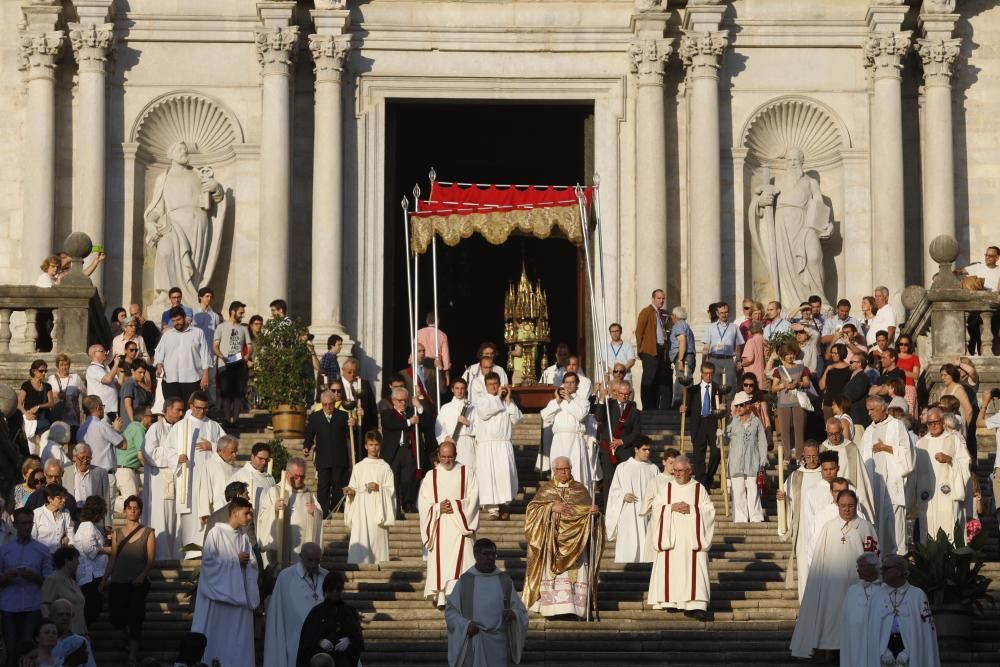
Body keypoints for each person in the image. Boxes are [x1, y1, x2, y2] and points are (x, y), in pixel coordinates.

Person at [789, 489, 879, 659]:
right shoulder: (828, 528)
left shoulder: (866, 528)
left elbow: (874, 557)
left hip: (859, 586)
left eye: (851, 506)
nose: (847, 509)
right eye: (843, 506)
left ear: (856, 506)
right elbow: (819, 559)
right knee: (830, 620)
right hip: (832, 587)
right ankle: (828, 651)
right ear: (837, 505)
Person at [522, 457, 603, 619]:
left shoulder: (581, 490)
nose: (563, 472)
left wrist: (595, 513)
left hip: (577, 545)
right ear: (554, 470)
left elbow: (588, 511)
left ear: (571, 469)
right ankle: (552, 610)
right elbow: (532, 510)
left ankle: (575, 608)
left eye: (566, 469)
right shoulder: (546, 489)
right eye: (559, 469)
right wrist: (551, 507)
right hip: (552, 544)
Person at [644, 455, 715, 619]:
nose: (677, 474)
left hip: (692, 540)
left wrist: (693, 510)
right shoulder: (667, 489)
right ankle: (673, 602)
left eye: (681, 471)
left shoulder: (699, 489)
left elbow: (709, 512)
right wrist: (670, 508)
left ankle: (696, 605)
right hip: (672, 539)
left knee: (695, 569)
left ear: (690, 471)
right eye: (674, 471)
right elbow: (656, 508)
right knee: (672, 569)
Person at [192, 497, 259, 667]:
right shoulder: (216, 533)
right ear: (235, 513)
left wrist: (246, 563)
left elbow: (252, 566)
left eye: (250, 514)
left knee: (237, 644)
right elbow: (208, 563)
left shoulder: (243, 539)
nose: (250, 517)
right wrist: (234, 560)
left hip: (239, 601)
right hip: (219, 600)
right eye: (246, 513)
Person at [445, 537, 528, 667]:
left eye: (493, 554)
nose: (491, 558)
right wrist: (466, 625)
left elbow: (520, 610)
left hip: (499, 643)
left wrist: (514, 614)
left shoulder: (504, 580)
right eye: (486, 554)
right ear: (476, 555)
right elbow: (451, 612)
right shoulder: (466, 581)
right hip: (476, 640)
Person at [165, 391, 226, 559]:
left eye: (205, 408)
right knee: (190, 515)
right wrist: (178, 459)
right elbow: (168, 450)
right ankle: (189, 552)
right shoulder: (180, 426)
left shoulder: (214, 426)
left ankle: (209, 551)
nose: (202, 411)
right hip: (188, 478)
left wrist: (212, 446)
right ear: (191, 406)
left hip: (209, 479)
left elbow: (227, 446)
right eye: (198, 408)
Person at [418, 441, 479, 606]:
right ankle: (442, 597)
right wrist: (437, 508)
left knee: (463, 561)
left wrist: (455, 505)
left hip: (460, 525)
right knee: (442, 562)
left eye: (450, 457)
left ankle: (463, 596)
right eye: (443, 457)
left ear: (456, 455)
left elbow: (474, 498)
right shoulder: (431, 476)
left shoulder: (467, 472)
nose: (446, 461)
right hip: (440, 526)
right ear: (438, 456)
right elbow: (424, 504)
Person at [102, 495, 155, 665]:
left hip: (137, 583)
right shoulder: (117, 533)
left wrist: (142, 575)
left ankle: (133, 652)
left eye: (136, 508)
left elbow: (151, 559)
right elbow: (113, 558)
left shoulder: (148, 532)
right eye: (129, 508)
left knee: (136, 616)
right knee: (116, 617)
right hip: (118, 581)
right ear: (124, 510)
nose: (132, 511)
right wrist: (104, 579)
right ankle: (127, 638)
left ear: (140, 511)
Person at [860, 396, 913, 555]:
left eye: (872, 409)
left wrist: (886, 448)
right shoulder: (868, 431)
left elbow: (908, 454)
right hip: (874, 485)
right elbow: (862, 459)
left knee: (893, 522)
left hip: (893, 484)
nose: (869, 413)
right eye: (867, 410)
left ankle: (897, 559)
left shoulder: (897, 426)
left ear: (883, 408)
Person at [865, 554, 940, 667]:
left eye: (885, 568)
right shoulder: (877, 596)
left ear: (899, 571)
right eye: (881, 568)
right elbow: (871, 630)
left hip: (911, 648)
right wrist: (882, 650)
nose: (881, 572)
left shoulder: (917, 596)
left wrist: (909, 651)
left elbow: (924, 631)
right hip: (883, 648)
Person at [0, 507, 51, 666]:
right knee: (11, 648)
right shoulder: (4, 551)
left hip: (32, 606)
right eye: (23, 523)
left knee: (29, 648)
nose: (27, 527)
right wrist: (7, 576)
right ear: (15, 525)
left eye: (30, 522)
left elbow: (49, 582)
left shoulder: (42, 550)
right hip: (9, 606)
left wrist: (34, 576)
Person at [264, 543, 329, 667]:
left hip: (322, 639)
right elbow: (278, 612)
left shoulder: (326, 575)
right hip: (295, 638)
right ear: (301, 557)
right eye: (310, 560)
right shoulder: (285, 577)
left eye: (318, 560)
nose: (315, 564)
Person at [913, 407, 971, 543]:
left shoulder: (953, 440)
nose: (933, 426)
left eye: (936, 422)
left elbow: (965, 463)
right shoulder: (920, 444)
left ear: (943, 421)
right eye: (929, 423)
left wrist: (950, 460)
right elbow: (914, 472)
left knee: (949, 526)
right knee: (928, 531)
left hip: (948, 494)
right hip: (927, 497)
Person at [777, 442, 825, 600]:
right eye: (808, 456)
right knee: (804, 567)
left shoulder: (825, 475)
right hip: (803, 529)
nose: (811, 460)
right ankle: (805, 603)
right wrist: (782, 499)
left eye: (814, 456)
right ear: (803, 456)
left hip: (823, 528)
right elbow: (788, 501)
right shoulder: (796, 476)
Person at [258, 457, 323, 567]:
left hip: (303, 544)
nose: (298, 479)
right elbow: (262, 516)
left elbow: (319, 515)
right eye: (295, 476)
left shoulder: (308, 494)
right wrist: (274, 509)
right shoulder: (276, 491)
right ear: (287, 474)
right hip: (282, 548)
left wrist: (315, 513)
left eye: (302, 476)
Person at [474, 373, 522, 520]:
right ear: (486, 386)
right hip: (486, 445)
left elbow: (517, 418)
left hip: (502, 444)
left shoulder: (505, 401)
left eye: (496, 383)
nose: (494, 387)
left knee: (504, 475)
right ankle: (493, 510)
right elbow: (484, 414)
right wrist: (499, 399)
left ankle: (505, 505)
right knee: (488, 477)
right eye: (490, 384)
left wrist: (508, 401)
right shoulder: (482, 401)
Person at [141, 397, 184, 559]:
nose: (181, 414)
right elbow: (149, 452)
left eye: (182, 410)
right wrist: (174, 457)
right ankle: (160, 555)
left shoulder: (182, 428)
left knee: (176, 517)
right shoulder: (156, 428)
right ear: (167, 410)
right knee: (161, 517)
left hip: (179, 479)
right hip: (160, 482)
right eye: (178, 410)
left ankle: (176, 555)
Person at [343, 432, 396, 564]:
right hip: (361, 512)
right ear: (366, 446)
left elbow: (391, 491)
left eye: (377, 445)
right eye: (371, 444)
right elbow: (353, 489)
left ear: (381, 446)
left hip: (378, 512)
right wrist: (350, 492)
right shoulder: (359, 467)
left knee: (377, 543)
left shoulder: (385, 467)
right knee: (362, 538)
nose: (374, 448)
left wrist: (379, 488)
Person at [604, 436, 658, 563]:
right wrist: (623, 496)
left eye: (649, 450)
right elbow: (613, 492)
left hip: (647, 515)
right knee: (629, 544)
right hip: (628, 514)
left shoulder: (653, 468)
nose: (648, 452)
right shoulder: (623, 467)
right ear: (636, 449)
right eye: (644, 449)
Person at [296, 570, 364, 667]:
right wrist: (319, 642)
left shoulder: (350, 611)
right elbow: (306, 640)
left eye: (338, 588)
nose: (335, 592)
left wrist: (349, 640)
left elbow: (358, 639)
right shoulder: (316, 612)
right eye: (331, 588)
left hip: (343, 661)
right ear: (326, 589)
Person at [305, 390, 354, 518]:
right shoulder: (315, 417)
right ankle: (323, 509)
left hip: (339, 457)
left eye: (331, 404)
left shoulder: (344, 416)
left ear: (334, 403)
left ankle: (336, 507)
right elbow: (309, 434)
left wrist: (352, 426)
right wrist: (307, 447)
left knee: (338, 483)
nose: (328, 407)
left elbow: (352, 436)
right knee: (323, 486)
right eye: (325, 404)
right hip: (323, 457)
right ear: (321, 404)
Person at [593, 380, 642, 507]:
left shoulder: (634, 410)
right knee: (609, 481)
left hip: (625, 450)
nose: (623, 396)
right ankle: (608, 509)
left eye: (626, 394)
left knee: (624, 481)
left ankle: (625, 507)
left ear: (630, 393)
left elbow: (637, 432)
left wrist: (622, 441)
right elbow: (598, 417)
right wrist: (602, 398)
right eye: (621, 393)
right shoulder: (609, 404)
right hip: (608, 450)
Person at [380, 387, 428, 516]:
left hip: (408, 450)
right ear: (394, 401)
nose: (403, 403)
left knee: (408, 480)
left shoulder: (412, 412)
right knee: (393, 480)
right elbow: (392, 424)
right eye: (400, 401)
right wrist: (409, 421)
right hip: (394, 452)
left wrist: (419, 406)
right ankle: (395, 509)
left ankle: (408, 505)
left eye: (405, 401)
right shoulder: (387, 413)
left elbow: (426, 420)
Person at [540, 373, 590, 494]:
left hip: (575, 440)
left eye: (572, 382)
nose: (569, 385)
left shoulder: (583, 401)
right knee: (558, 471)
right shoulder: (556, 401)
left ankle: (578, 501)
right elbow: (545, 416)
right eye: (566, 382)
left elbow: (581, 415)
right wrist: (557, 401)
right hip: (559, 441)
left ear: (577, 384)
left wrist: (569, 400)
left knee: (576, 471)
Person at [820, 417, 876, 522]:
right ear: (826, 432)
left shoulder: (851, 448)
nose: (834, 438)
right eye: (830, 434)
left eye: (836, 433)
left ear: (842, 430)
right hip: (827, 496)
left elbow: (860, 476)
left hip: (848, 496)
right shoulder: (822, 448)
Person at [154, 306, 212, 404]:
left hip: (193, 379)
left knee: (191, 410)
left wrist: (205, 375)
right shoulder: (167, 335)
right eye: (173, 320)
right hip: (171, 380)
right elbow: (159, 353)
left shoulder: (198, 333)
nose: (176, 323)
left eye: (178, 319)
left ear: (184, 317)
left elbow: (205, 355)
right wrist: (159, 366)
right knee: (174, 411)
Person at [727, 391, 768, 524]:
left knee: (753, 491)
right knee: (737, 492)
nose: (738, 408)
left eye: (741, 405)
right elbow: (724, 442)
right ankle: (740, 518)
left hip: (752, 461)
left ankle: (756, 517)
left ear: (748, 405)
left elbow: (762, 442)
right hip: (736, 462)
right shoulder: (732, 423)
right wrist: (720, 435)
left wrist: (763, 460)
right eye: (736, 406)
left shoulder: (756, 422)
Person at [71, 496, 109, 627]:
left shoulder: (88, 526)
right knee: (93, 606)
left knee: (94, 606)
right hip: (91, 575)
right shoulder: (88, 526)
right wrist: (109, 550)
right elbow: (89, 549)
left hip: (92, 575)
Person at [213, 300, 250, 428]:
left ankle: (237, 419)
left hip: (239, 364)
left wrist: (246, 356)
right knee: (226, 393)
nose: (242, 315)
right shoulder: (221, 327)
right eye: (241, 312)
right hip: (225, 364)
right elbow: (215, 346)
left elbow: (249, 346)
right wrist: (223, 357)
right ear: (233, 312)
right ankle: (227, 419)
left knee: (239, 393)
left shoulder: (243, 328)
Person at [771, 343, 811, 461]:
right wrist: (784, 385)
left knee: (799, 429)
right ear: (783, 356)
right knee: (785, 430)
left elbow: (807, 383)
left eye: (792, 354)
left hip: (798, 402)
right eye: (787, 354)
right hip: (783, 403)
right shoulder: (778, 370)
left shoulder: (802, 368)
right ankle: (787, 456)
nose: (790, 356)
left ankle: (799, 456)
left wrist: (798, 384)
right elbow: (773, 388)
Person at [684, 363, 722, 489]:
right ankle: (701, 483)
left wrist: (723, 408)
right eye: (706, 373)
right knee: (699, 455)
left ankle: (709, 477)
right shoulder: (692, 390)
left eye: (711, 373)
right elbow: (688, 410)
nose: (708, 376)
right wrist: (683, 409)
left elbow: (723, 407)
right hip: (698, 424)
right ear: (701, 373)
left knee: (716, 452)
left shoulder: (718, 389)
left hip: (713, 423)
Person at [840, 553, 882, 667]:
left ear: (873, 567)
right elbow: (845, 617)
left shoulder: (885, 589)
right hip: (855, 637)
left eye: (861, 567)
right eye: (858, 567)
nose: (858, 570)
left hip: (878, 637)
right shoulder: (852, 590)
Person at [639, 447, 680, 561]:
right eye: (671, 463)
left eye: (675, 463)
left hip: (677, 524)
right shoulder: (655, 481)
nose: (673, 466)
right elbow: (646, 506)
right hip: (659, 523)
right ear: (664, 462)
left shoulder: (682, 482)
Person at [193, 435, 238, 527]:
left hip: (234, 510)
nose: (235, 455)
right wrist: (205, 515)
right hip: (218, 512)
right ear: (221, 450)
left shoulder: (234, 466)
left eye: (236, 452)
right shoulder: (210, 465)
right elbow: (204, 491)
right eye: (232, 452)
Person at [635, 289, 669, 410]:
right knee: (648, 379)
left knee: (657, 379)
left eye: (663, 298)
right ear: (653, 299)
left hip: (659, 350)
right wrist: (640, 350)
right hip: (649, 350)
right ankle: (647, 406)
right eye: (659, 298)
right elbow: (639, 331)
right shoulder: (646, 312)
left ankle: (654, 405)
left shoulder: (661, 314)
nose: (661, 301)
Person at [40, 547, 86, 636]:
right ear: (67, 561)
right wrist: (53, 631)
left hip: (79, 634)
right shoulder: (53, 579)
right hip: (63, 635)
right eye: (76, 560)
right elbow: (45, 607)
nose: (78, 563)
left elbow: (80, 610)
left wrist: (86, 633)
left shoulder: (74, 583)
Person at [436, 378, 477, 470]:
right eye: (457, 388)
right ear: (452, 389)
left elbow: (479, 428)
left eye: (462, 388)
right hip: (450, 443)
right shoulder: (445, 408)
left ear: (466, 389)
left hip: (467, 444)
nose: (460, 391)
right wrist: (445, 438)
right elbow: (439, 427)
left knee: (468, 471)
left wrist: (467, 423)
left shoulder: (473, 408)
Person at [702, 301, 744, 387]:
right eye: (721, 313)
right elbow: (706, 348)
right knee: (713, 387)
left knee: (730, 387)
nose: (724, 315)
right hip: (714, 360)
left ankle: (729, 400)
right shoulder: (710, 327)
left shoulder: (734, 327)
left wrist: (738, 361)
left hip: (728, 360)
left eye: (726, 312)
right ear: (717, 313)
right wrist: (704, 364)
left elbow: (738, 346)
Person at [119, 406, 151, 513]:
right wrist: (149, 469)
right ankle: (109, 502)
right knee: (132, 504)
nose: (153, 419)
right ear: (143, 418)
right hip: (126, 471)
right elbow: (140, 455)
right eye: (151, 416)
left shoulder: (130, 426)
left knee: (137, 503)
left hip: (127, 469)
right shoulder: (139, 429)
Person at [231, 441, 277, 510]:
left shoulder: (270, 478)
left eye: (267, 459)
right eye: (260, 458)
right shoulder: (240, 476)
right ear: (252, 456)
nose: (264, 462)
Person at [48, 355, 84, 440]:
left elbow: (84, 393)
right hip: (57, 411)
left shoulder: (75, 378)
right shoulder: (52, 378)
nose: (64, 367)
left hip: (73, 413)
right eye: (61, 365)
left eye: (66, 365)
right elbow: (48, 394)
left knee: (73, 437)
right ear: (58, 366)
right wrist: (56, 394)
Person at [340, 358, 378, 437]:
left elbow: (372, 407)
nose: (352, 374)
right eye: (349, 372)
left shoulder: (364, 384)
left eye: (355, 371)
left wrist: (374, 429)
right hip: (343, 430)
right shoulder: (336, 386)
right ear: (343, 370)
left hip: (363, 428)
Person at [18, 360, 56, 438]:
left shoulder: (47, 386)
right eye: (41, 371)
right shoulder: (26, 385)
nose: (44, 373)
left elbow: (51, 403)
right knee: (31, 447)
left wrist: (38, 406)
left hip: (44, 418)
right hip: (30, 419)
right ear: (34, 371)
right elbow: (19, 403)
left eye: (45, 371)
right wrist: (26, 414)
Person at [32, 486, 74, 554]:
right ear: (50, 499)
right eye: (60, 498)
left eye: (64, 497)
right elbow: (33, 538)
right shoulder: (37, 513)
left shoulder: (65, 512)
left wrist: (70, 546)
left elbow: (70, 532)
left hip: (60, 555)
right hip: (42, 555)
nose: (64, 500)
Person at [84, 344, 121, 422]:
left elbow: (119, 383)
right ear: (94, 353)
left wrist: (121, 367)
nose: (105, 353)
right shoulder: (92, 368)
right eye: (102, 351)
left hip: (112, 410)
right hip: (102, 411)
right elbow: (107, 379)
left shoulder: (105, 367)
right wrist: (116, 364)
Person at [668, 306, 696, 405]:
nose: (671, 317)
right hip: (689, 356)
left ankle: (681, 405)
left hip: (684, 357)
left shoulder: (679, 325)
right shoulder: (685, 325)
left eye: (672, 315)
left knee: (683, 381)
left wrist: (680, 360)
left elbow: (682, 341)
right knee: (685, 380)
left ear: (675, 316)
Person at [417, 311, 451, 388]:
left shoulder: (418, 333)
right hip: (435, 365)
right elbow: (446, 357)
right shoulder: (442, 335)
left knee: (421, 392)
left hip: (421, 365)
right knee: (434, 392)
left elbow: (413, 351)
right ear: (438, 321)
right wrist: (447, 375)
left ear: (426, 321)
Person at [818, 343, 851, 420]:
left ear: (841, 353)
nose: (833, 355)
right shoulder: (829, 368)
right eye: (832, 353)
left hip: (841, 405)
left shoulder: (849, 369)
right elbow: (821, 387)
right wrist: (826, 371)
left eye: (835, 353)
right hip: (828, 404)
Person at [120, 360, 153, 429]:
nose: (142, 375)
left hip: (139, 425)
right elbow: (128, 405)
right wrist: (133, 423)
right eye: (140, 372)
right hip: (131, 426)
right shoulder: (129, 384)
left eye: (144, 373)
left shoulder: (138, 386)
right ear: (132, 371)